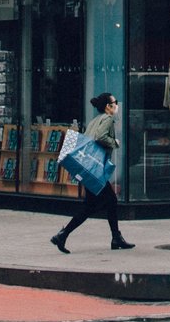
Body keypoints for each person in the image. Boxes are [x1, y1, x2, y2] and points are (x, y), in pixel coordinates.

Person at [52, 91, 133, 253]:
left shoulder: (94, 120)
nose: (116, 105)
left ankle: (64, 235)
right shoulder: (108, 119)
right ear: (108, 107)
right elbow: (101, 137)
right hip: (96, 170)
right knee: (110, 201)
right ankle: (65, 234)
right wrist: (114, 142)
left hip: (88, 167)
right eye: (114, 102)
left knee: (93, 206)